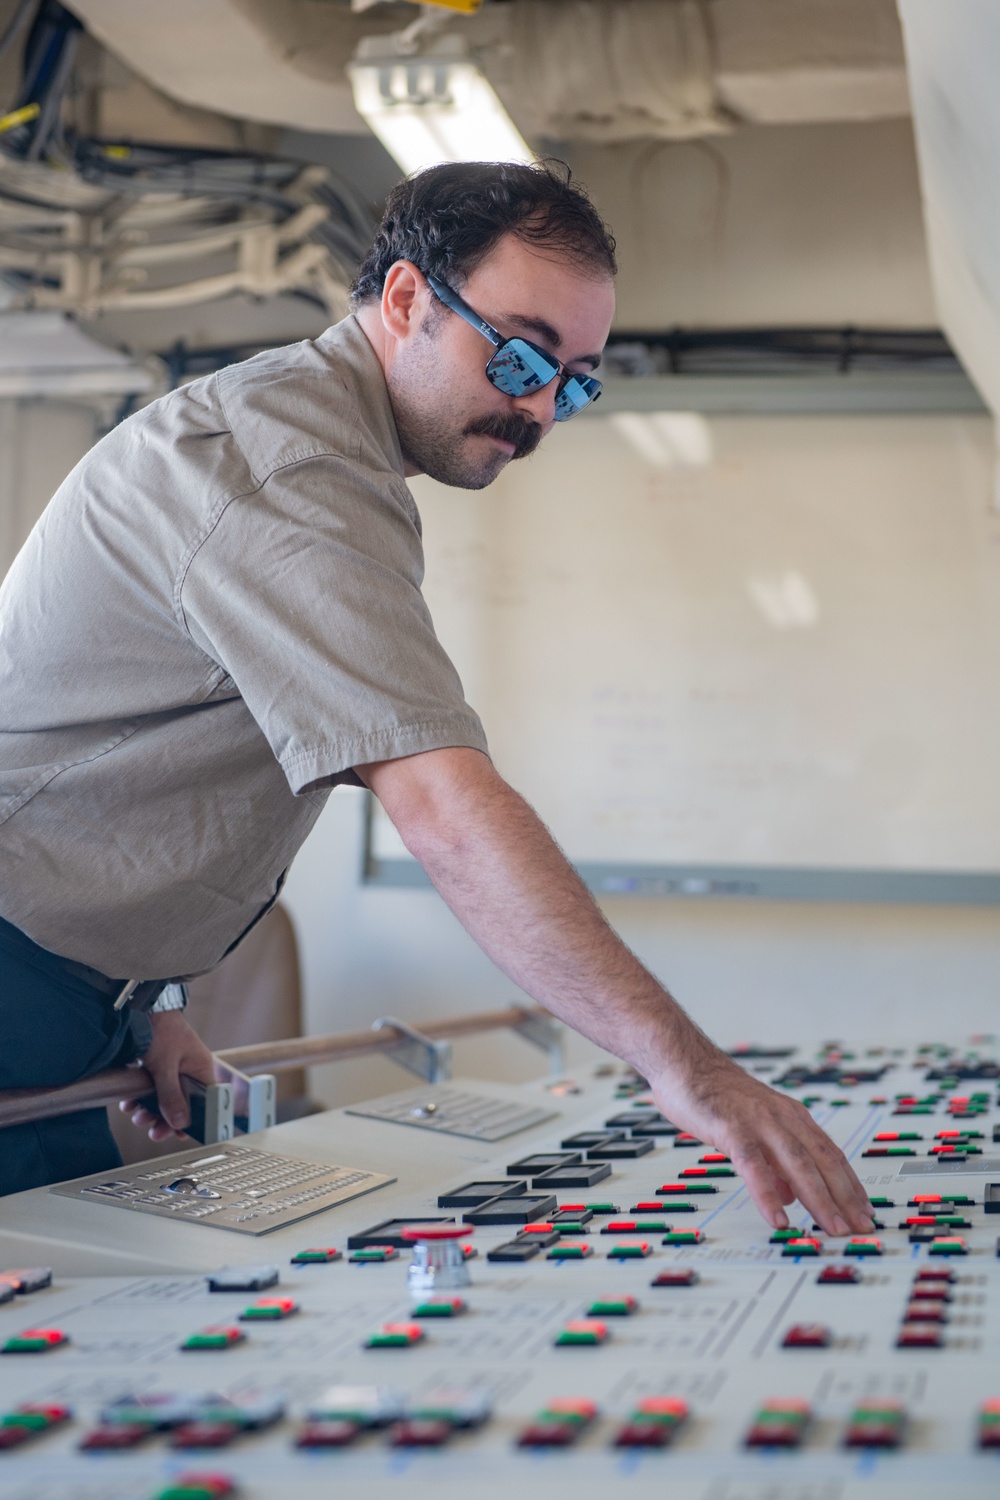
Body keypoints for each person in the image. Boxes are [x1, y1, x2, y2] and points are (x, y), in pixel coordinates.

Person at [0, 160, 873, 1235]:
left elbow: (144, 767)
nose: (540, 408)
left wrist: (153, 1001)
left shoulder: (333, 458)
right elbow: (441, 810)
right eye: (517, 355)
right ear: (407, 299)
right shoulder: (286, 470)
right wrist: (684, 1068)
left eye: (576, 382)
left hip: (76, 1005)